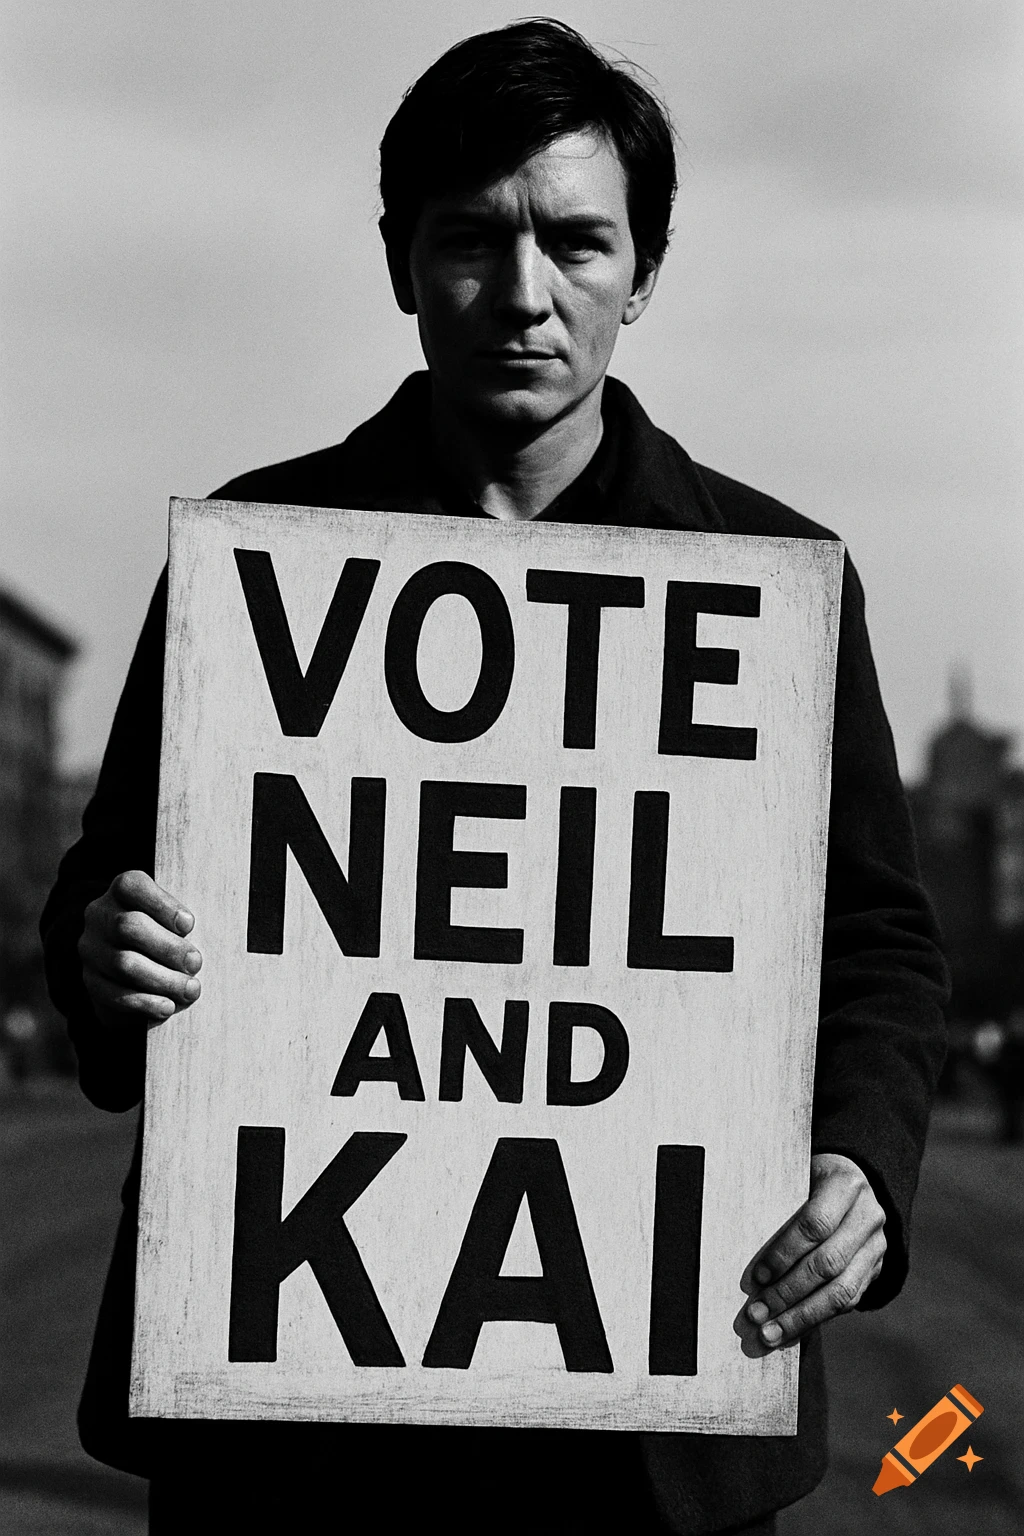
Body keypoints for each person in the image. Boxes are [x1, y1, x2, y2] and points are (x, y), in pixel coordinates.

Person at [41, 19, 948, 1535]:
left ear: (643, 273)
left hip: (650, 1440)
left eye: (579, 244)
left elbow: (878, 942)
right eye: (474, 241)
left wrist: (863, 1162)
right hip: (301, 1437)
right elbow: (111, 891)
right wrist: (105, 954)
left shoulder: (767, 583)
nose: (526, 296)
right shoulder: (265, 560)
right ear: (401, 260)